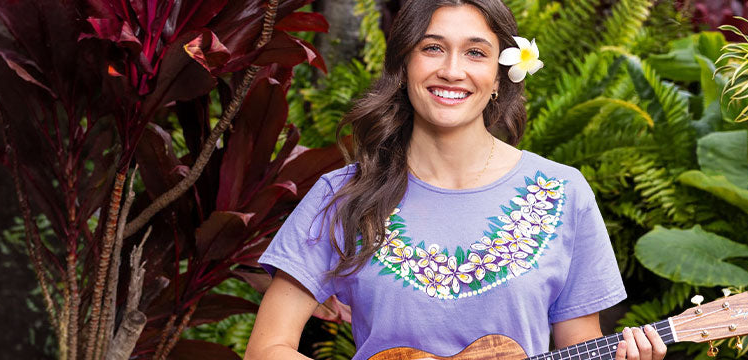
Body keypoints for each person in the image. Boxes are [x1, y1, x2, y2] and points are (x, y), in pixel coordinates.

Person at [243, 0, 665, 359]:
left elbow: (580, 345)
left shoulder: (562, 192)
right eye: (432, 48)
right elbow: (267, 348)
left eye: (476, 53)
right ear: (404, 65)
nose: (451, 70)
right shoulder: (343, 195)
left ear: (500, 76)